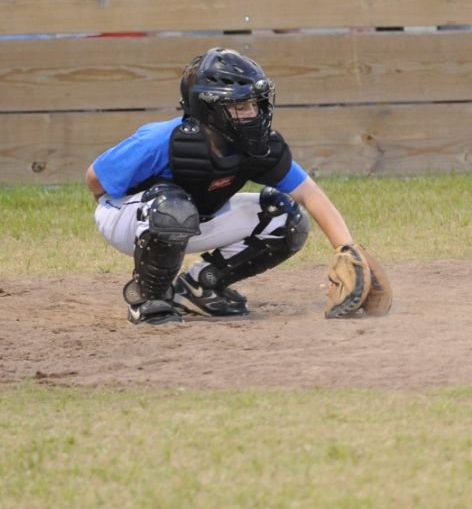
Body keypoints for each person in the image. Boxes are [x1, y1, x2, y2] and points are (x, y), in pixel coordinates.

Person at [84, 48, 362, 326]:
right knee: (174, 208)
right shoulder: (160, 139)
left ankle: (199, 287)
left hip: (189, 216)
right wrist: (139, 214)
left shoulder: (259, 146)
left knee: (286, 218)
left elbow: (309, 193)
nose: (252, 114)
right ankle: (149, 299)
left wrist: (347, 250)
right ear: (208, 109)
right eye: (240, 107)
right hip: (126, 218)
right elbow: (95, 179)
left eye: (254, 103)